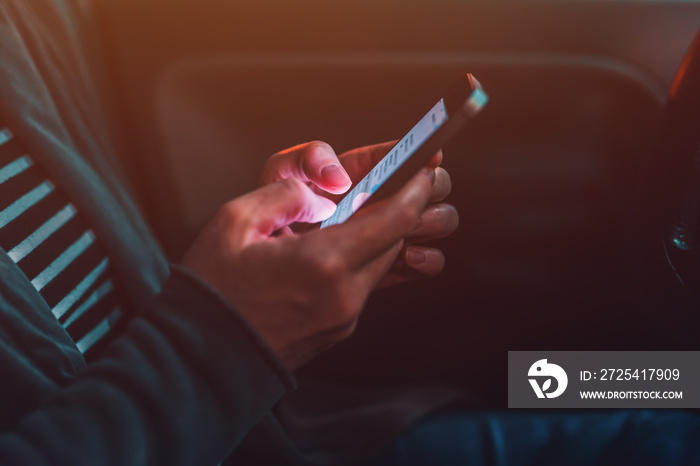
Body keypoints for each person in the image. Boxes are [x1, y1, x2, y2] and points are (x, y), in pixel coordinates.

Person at [0, 1, 460, 464]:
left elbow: (103, 296)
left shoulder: (22, 26)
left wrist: (245, 270)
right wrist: (222, 343)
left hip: (272, 431)